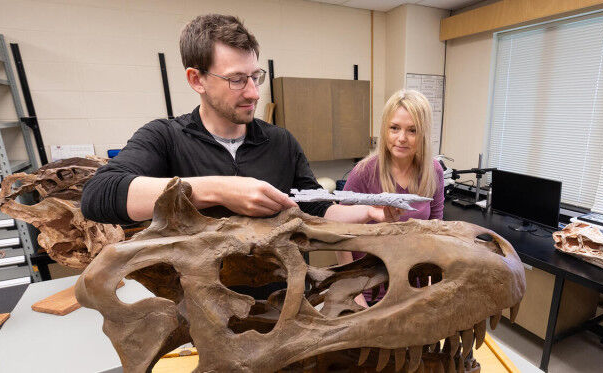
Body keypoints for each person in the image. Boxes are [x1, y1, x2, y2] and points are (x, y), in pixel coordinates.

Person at [80, 15, 395, 298]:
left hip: (283, 309)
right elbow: (100, 195)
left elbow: (312, 207)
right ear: (196, 79)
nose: (253, 93)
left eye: (255, 76)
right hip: (203, 318)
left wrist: (361, 213)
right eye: (236, 80)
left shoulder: (281, 142)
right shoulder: (165, 137)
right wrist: (218, 189)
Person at [339, 89, 445, 306]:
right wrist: (353, 291)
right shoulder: (364, 172)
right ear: (385, 129)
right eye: (394, 128)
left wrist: (431, 284)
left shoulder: (433, 171)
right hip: (368, 287)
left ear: (423, 133)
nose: (401, 138)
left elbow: (436, 230)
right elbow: (339, 234)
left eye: (412, 130)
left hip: (413, 285)